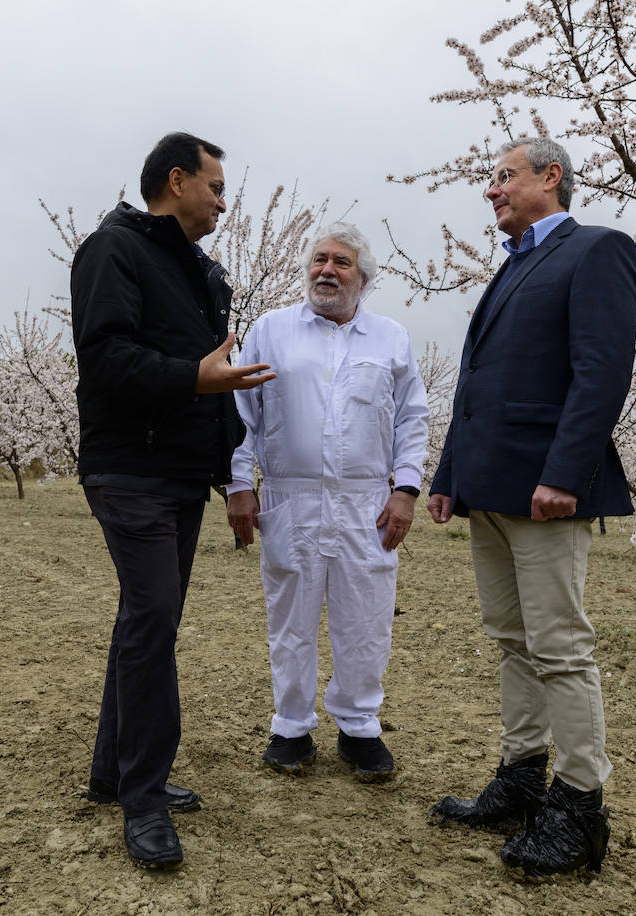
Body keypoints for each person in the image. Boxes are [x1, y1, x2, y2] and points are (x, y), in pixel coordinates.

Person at [426, 137, 636, 878]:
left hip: (546, 492)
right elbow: (475, 383)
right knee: (511, 640)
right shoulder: (511, 268)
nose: (492, 190)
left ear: (551, 177)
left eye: (504, 176)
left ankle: (580, 806)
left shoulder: (599, 251)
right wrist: (448, 473)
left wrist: (565, 474)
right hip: (487, 488)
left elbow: (602, 372)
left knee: (560, 647)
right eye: (491, 179)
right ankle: (520, 779)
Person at [71, 131, 274, 870]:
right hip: (128, 471)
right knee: (153, 618)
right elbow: (106, 357)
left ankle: (113, 773)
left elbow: (213, 376)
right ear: (178, 180)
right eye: (217, 187)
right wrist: (193, 379)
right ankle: (145, 798)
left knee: (146, 620)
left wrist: (235, 480)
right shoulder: (112, 250)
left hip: (182, 475)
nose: (225, 200)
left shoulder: (203, 274)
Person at [226, 222, 429, 783]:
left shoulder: (390, 338)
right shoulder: (271, 332)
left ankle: (360, 728)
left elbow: (413, 417)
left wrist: (406, 488)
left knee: (365, 616)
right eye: (319, 259)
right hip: (291, 497)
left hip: (368, 501)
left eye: (341, 262)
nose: (327, 270)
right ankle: (290, 726)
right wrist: (239, 485)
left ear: (362, 278)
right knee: (290, 615)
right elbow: (243, 415)